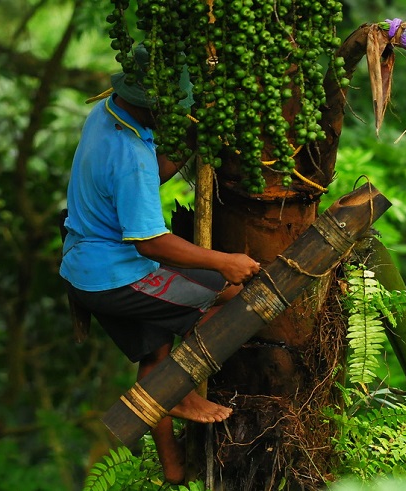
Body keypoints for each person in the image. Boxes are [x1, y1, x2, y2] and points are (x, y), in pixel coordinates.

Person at [59, 45, 260, 484]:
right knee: (230, 296)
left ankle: (173, 467)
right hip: (118, 275)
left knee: (155, 353)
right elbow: (150, 243)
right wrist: (224, 262)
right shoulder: (129, 154)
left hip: (82, 266)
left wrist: (193, 141)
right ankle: (179, 394)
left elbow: (148, 175)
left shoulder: (107, 115)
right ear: (155, 105)